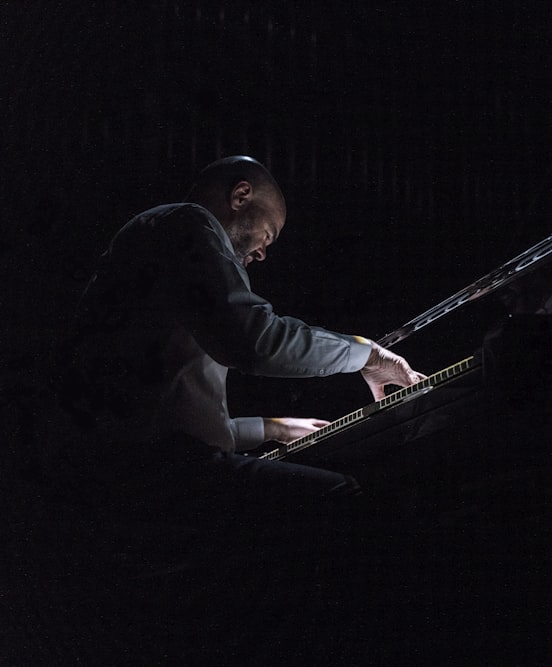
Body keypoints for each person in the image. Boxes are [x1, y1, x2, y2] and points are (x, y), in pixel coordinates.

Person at [60, 155, 426, 520]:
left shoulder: (162, 239)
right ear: (241, 195)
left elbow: (170, 412)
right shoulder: (187, 224)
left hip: (144, 464)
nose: (263, 253)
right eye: (268, 233)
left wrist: (273, 428)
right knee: (344, 495)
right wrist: (369, 355)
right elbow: (255, 341)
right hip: (150, 475)